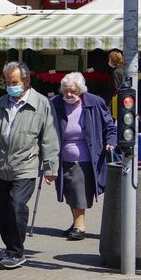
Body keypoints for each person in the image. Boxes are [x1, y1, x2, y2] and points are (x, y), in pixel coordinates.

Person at [0, 62, 60, 270]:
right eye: (8, 82)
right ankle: (10, 247)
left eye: (15, 82)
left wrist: (50, 168)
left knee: (16, 206)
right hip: (2, 167)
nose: (11, 86)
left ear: (26, 82)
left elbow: (50, 138)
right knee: (1, 211)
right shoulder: (1, 103)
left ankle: (16, 252)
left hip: (25, 166)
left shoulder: (42, 104)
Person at [50, 72, 117, 241]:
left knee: (78, 189)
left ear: (81, 90)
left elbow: (110, 126)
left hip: (86, 155)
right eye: (65, 91)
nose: (68, 95)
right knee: (68, 190)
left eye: (72, 91)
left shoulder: (94, 102)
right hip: (62, 155)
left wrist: (110, 141)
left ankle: (80, 226)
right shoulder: (55, 103)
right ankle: (75, 223)